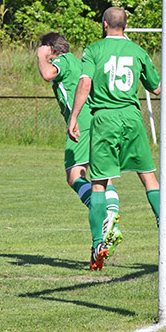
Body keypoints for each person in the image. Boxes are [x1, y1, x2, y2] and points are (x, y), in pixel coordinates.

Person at [68, 7, 162, 270]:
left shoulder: (93, 50)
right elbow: (155, 87)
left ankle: (98, 243)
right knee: (148, 176)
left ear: (104, 23)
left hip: (105, 119)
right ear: (126, 26)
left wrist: (74, 116)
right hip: (132, 118)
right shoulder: (138, 51)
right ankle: (165, 230)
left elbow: (85, 83)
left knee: (98, 183)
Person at [36, 32, 122, 256]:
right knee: (102, 176)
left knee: (74, 176)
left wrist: (41, 56)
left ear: (50, 48)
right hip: (100, 121)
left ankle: (106, 217)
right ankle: (111, 216)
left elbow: (47, 74)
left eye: (43, 47)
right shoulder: (78, 61)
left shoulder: (62, 61)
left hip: (82, 123)